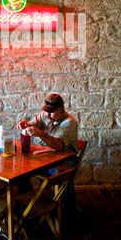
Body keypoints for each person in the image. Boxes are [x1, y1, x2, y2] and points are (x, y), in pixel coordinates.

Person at [15, 93, 80, 226]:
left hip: (66, 158)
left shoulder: (70, 122)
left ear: (60, 110)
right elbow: (34, 123)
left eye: (52, 112)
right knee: (20, 169)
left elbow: (59, 146)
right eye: (47, 111)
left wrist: (40, 133)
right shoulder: (45, 114)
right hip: (45, 156)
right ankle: (30, 206)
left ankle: (69, 216)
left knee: (62, 175)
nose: (48, 115)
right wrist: (25, 124)